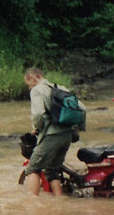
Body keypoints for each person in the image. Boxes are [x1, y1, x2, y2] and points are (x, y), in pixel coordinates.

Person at [24, 68, 81, 196]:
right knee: (52, 170)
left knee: (33, 168)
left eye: (29, 84)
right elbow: (81, 107)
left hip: (51, 136)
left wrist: (36, 128)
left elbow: (38, 113)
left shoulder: (37, 90)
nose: (29, 88)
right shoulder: (60, 88)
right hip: (66, 135)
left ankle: (32, 204)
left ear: (34, 78)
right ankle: (59, 199)